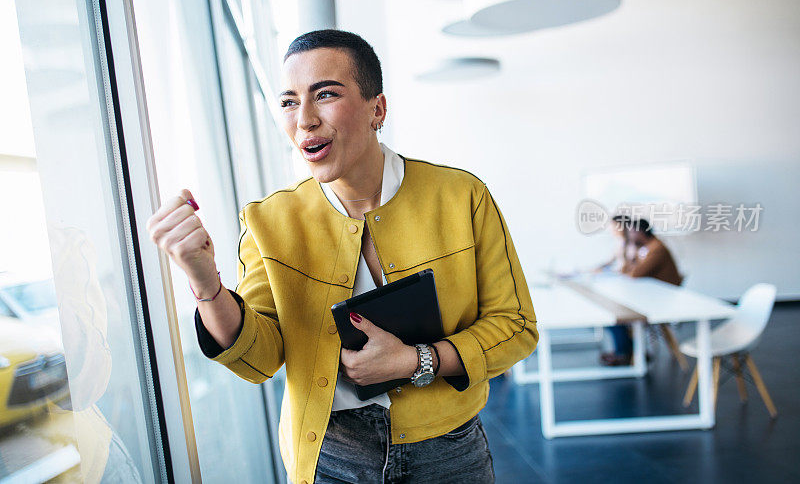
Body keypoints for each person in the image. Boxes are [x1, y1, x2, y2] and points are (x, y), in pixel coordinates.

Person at [146, 29, 538, 484]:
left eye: (325, 94)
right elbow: (259, 359)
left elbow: (515, 327)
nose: (304, 120)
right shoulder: (268, 220)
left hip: (448, 448)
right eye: (289, 102)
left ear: (378, 109)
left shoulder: (462, 197)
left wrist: (418, 359)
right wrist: (204, 282)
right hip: (330, 455)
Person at [601, 218, 683, 366]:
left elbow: (635, 274)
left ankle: (626, 353)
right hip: (650, 296)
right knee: (612, 312)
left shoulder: (656, 248)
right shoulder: (645, 248)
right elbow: (627, 270)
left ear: (640, 232)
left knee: (615, 315)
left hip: (660, 300)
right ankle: (629, 352)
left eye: (631, 232)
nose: (629, 235)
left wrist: (630, 254)